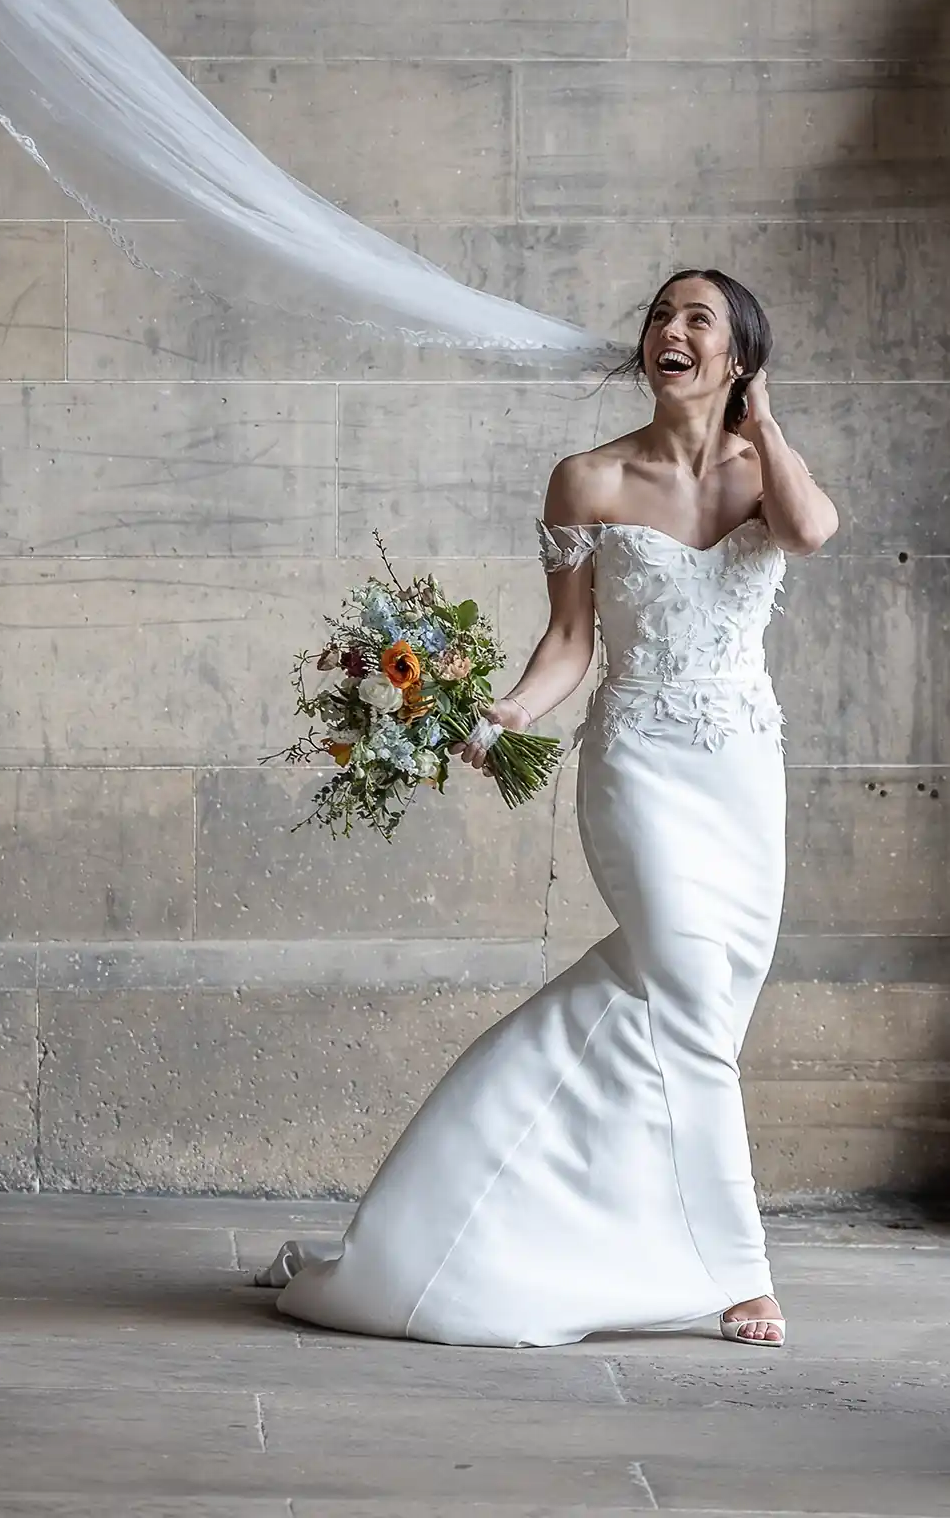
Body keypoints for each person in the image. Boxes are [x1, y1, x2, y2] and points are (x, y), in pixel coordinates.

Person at [255, 269, 839, 1349]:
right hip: (641, 766)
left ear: (737, 356)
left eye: (695, 319)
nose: (668, 330)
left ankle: (482, 1193)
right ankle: (740, 1272)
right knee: (691, 1003)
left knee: (693, 1007)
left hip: (746, 772)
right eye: (660, 315)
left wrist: (766, 425)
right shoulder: (587, 477)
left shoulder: (768, 471)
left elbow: (808, 530)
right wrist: (494, 717)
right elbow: (569, 640)